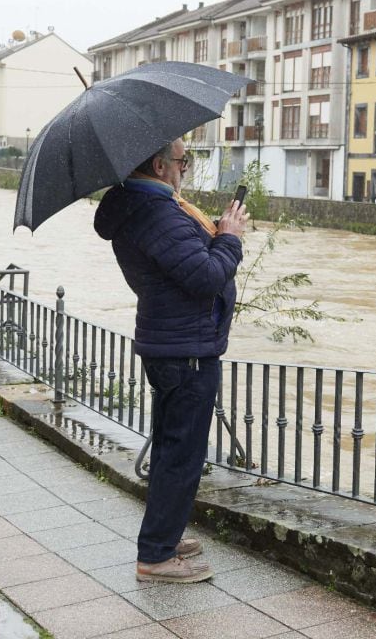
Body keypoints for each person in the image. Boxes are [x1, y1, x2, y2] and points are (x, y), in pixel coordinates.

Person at [94, 137, 247, 584]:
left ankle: (165, 535)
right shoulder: (159, 213)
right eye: (183, 160)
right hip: (186, 350)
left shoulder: (142, 207)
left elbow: (187, 264)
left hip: (172, 343)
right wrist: (231, 240)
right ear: (160, 165)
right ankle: (157, 555)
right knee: (182, 453)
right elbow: (206, 277)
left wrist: (215, 234)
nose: (186, 168)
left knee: (170, 447)